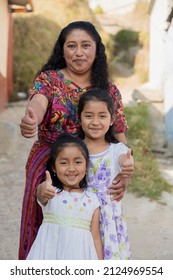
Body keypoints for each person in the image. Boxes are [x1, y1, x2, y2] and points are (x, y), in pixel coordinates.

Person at [19, 20, 133, 260]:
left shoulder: (109, 90)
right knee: (44, 228)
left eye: (85, 45)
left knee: (92, 231)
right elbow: (38, 102)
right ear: (63, 50)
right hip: (50, 163)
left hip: (91, 167)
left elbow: (120, 137)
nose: (78, 52)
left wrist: (125, 174)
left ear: (96, 49)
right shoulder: (49, 79)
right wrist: (32, 117)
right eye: (71, 46)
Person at [27, 134, 103, 260]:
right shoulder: (51, 192)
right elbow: (40, 194)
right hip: (50, 254)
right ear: (53, 167)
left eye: (78, 162)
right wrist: (43, 188)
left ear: (86, 165)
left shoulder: (92, 200)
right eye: (64, 163)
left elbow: (96, 237)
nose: (71, 168)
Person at [78, 88, 133, 259]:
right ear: (79, 118)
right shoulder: (74, 148)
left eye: (102, 116)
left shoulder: (116, 149)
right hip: (81, 215)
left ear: (111, 120)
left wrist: (127, 165)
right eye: (88, 116)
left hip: (108, 219)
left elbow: (125, 159)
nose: (95, 122)